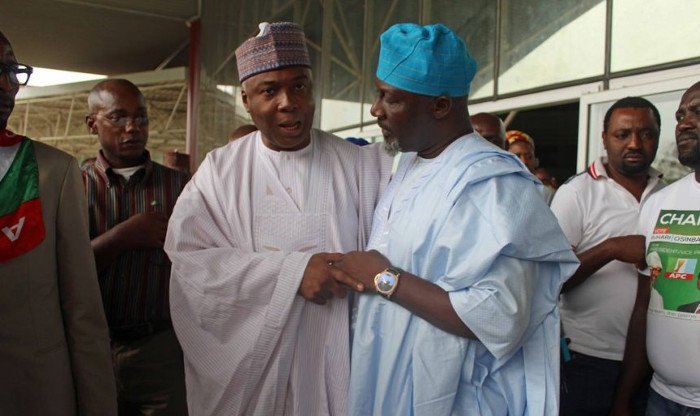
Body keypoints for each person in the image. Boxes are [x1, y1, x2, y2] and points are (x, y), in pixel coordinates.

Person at [333, 23, 579, 416]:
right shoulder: (411, 163)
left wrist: (385, 278)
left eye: (389, 97)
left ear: (441, 106)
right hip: (391, 382)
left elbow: (501, 317)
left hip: (456, 397)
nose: (375, 109)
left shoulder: (494, 186)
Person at [164, 22, 392, 415]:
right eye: (270, 90)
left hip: (343, 358)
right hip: (258, 375)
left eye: (299, 86)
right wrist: (292, 274)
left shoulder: (363, 165)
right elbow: (190, 262)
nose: (289, 101)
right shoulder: (220, 173)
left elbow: (396, 249)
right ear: (246, 100)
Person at [0, 30, 117, 415]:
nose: (6, 85)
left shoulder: (52, 173)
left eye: (11, 70)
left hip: (33, 393)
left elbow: (82, 310)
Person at [82, 78, 190, 415]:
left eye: (140, 118)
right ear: (91, 123)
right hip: (91, 350)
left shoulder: (182, 187)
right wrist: (122, 236)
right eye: (118, 117)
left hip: (160, 351)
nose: (132, 128)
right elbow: (59, 269)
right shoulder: (71, 187)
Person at [550, 97, 663, 415]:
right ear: (604, 138)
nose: (635, 143)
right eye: (622, 134)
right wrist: (611, 249)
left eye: (646, 133)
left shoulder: (666, 194)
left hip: (652, 363)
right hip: (587, 360)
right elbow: (549, 282)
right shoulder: (576, 193)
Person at [617, 81, 700, 416]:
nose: (684, 123)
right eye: (680, 115)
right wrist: (624, 397)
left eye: (697, 111)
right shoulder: (661, 201)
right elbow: (645, 304)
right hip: (660, 398)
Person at [506, 129, 555, 204]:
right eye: (517, 156)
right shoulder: (494, 188)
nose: (524, 161)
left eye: (529, 156)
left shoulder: (546, 194)